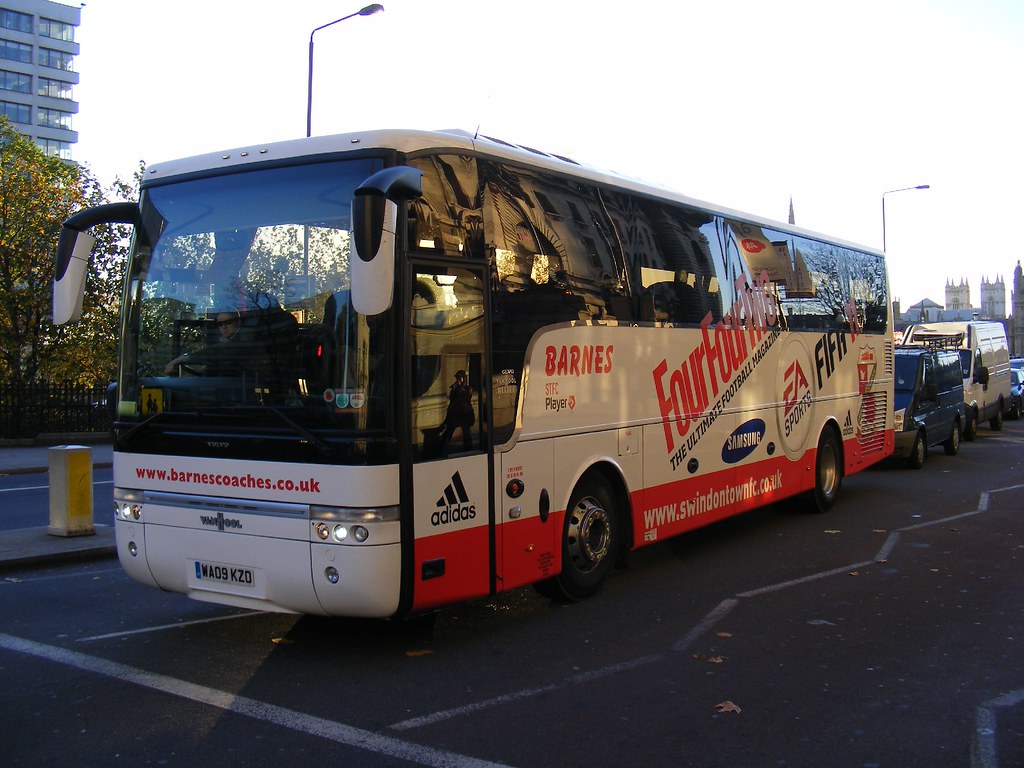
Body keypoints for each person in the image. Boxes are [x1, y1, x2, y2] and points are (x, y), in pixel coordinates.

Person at [164, 311, 247, 375]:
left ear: (238, 322)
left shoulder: (245, 339)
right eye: (220, 324)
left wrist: (182, 358)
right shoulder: (224, 343)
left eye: (228, 322)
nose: (224, 327)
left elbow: (215, 351)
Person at [441, 370, 475, 451]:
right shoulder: (455, 389)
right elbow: (453, 400)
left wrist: (459, 387)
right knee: (449, 430)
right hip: (456, 413)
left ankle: (468, 448)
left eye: (460, 378)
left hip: (465, 413)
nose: (458, 379)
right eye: (457, 378)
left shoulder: (467, 388)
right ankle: (441, 446)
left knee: (466, 432)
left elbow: (463, 398)